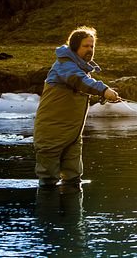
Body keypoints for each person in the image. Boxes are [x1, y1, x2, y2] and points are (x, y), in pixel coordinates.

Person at [34, 26, 119, 189]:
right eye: (85, 46)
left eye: (92, 46)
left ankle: (73, 214)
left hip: (72, 135)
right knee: (48, 181)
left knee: (73, 179)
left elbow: (83, 83)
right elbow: (79, 81)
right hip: (51, 133)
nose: (90, 50)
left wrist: (104, 94)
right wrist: (103, 90)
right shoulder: (64, 65)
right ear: (74, 47)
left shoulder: (81, 68)